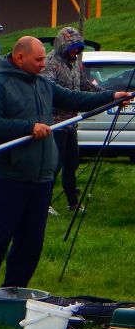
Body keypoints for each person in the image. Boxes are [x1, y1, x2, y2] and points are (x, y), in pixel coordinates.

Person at [0, 36, 130, 289]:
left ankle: (14, 292)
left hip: (41, 179)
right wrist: (28, 127)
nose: (44, 64)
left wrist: (112, 96)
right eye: (39, 59)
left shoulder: (43, 84)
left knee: (31, 243)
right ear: (20, 57)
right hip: (9, 177)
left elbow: (75, 99)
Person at [43, 27, 98, 215]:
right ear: (62, 46)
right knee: (54, 164)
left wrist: (109, 95)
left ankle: (72, 202)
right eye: (72, 48)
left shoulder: (75, 64)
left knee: (72, 163)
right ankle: (44, 203)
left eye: (78, 48)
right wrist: (70, 101)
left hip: (71, 124)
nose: (75, 51)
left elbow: (85, 86)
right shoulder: (50, 63)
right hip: (55, 124)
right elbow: (48, 91)